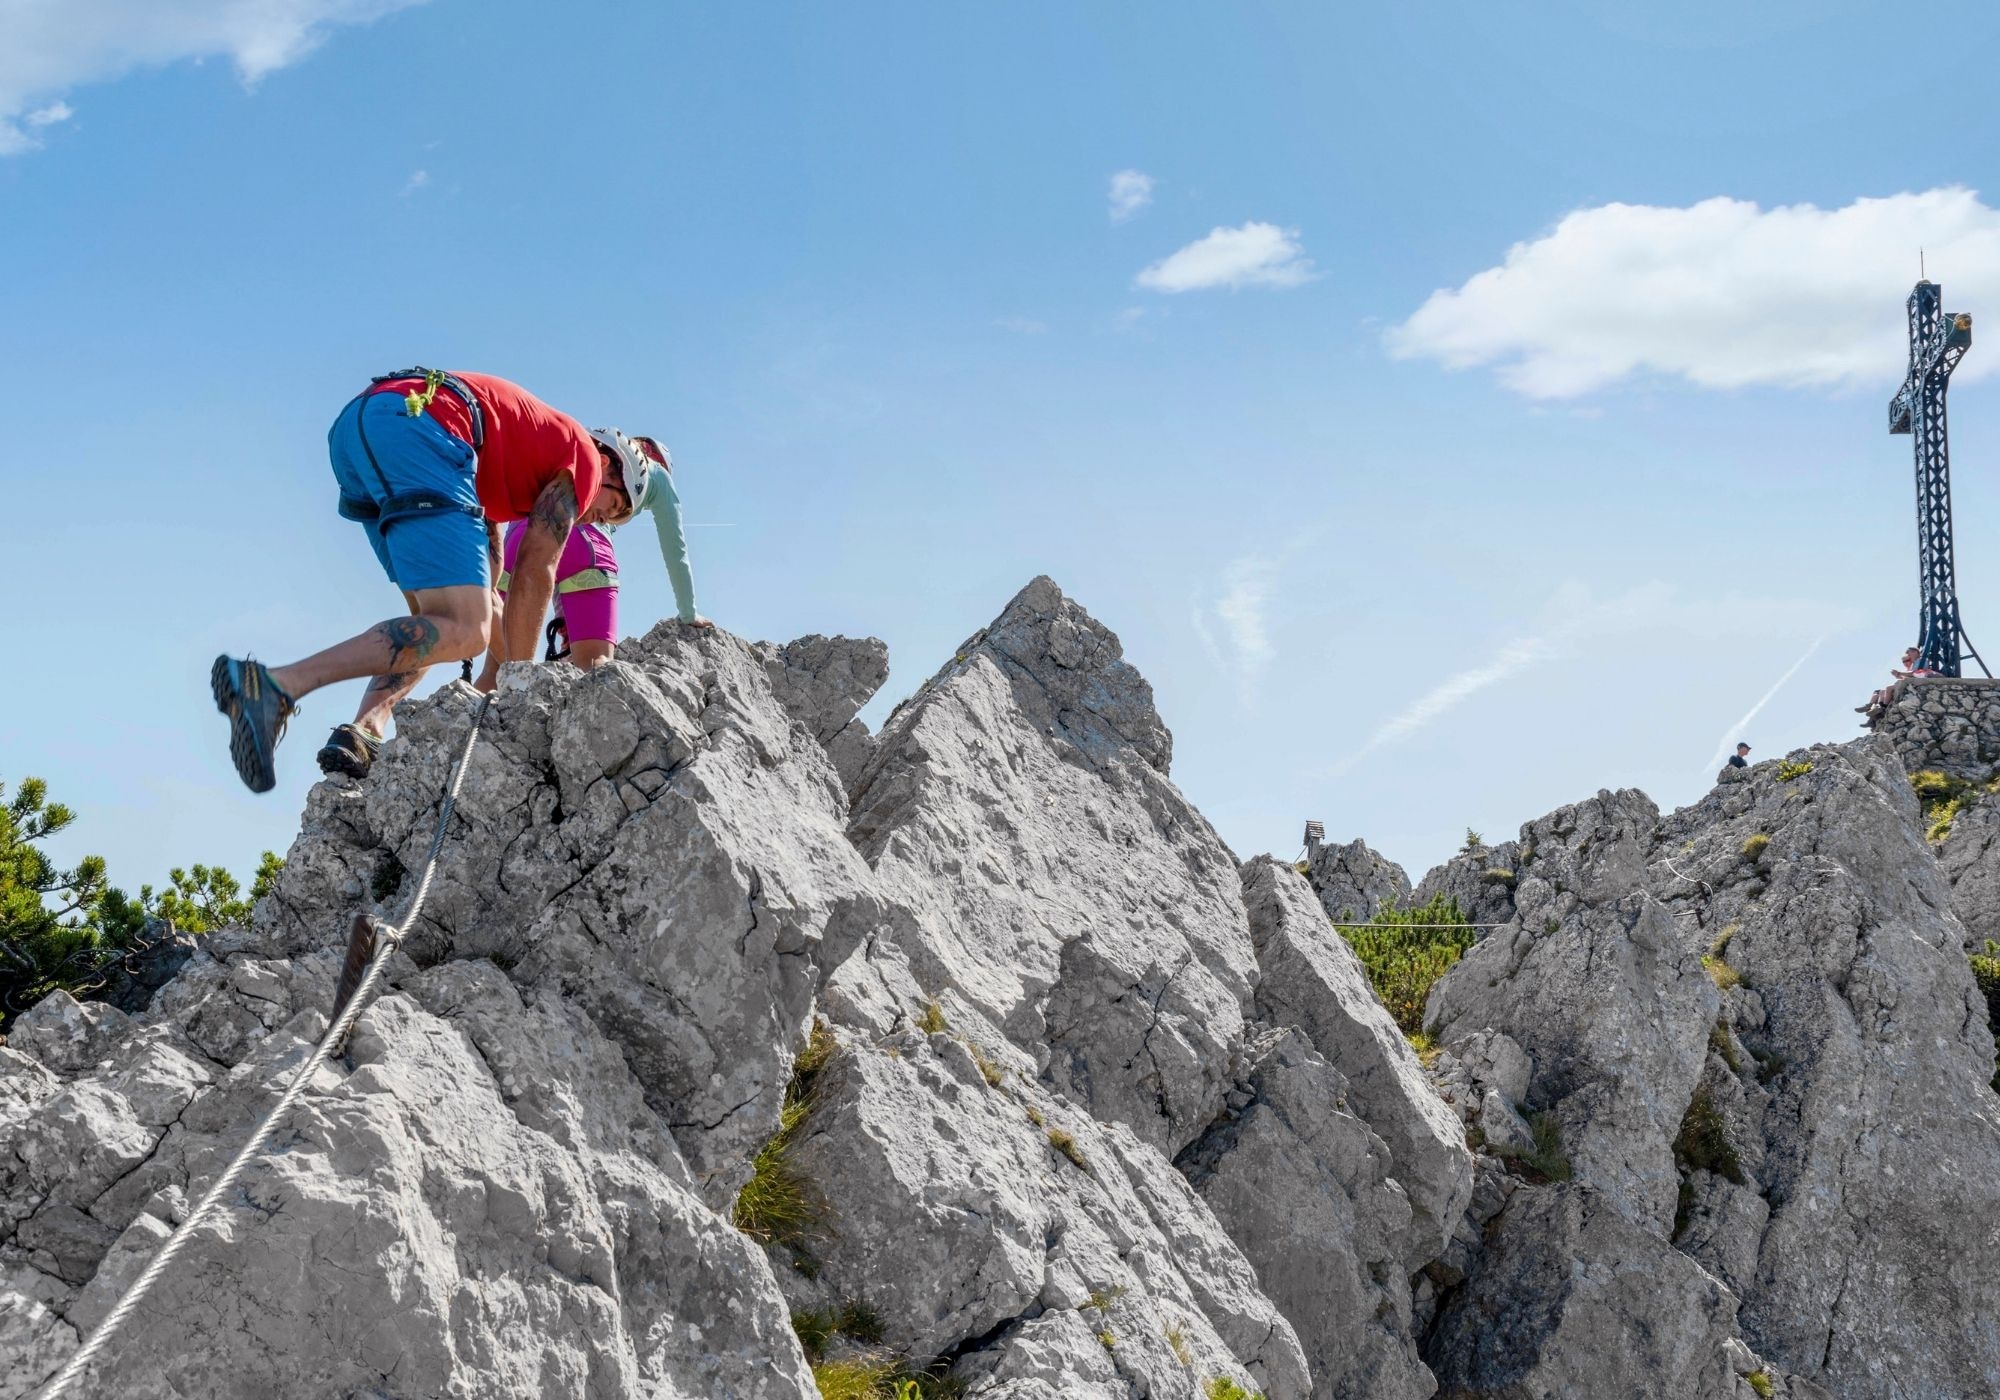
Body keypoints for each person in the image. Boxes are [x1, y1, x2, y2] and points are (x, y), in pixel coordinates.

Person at [211, 368, 704, 793]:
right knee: (465, 628)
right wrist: (517, 682)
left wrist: (491, 604)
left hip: (366, 423)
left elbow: (488, 552)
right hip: (428, 426)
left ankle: (367, 727)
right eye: (612, 509)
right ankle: (276, 686)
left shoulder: (524, 457)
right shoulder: (585, 461)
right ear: (615, 471)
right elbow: (537, 567)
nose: (596, 520)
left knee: (441, 624)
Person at [475, 430, 703, 686]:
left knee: (496, 673)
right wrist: (688, 612)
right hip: (586, 546)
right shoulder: (657, 475)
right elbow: (675, 550)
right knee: (596, 669)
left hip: (520, 536)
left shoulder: (598, 446)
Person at [1859, 646, 1938, 722]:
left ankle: (1882, 707)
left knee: (1888, 688)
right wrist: (1898, 675)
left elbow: (1915, 673)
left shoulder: (1920, 661)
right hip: (1913, 681)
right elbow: (1910, 675)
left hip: (1917, 681)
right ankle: (1875, 712)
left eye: (1909, 653)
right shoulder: (1914, 664)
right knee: (1883, 691)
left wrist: (1899, 673)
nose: (1908, 655)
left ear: (1916, 652)